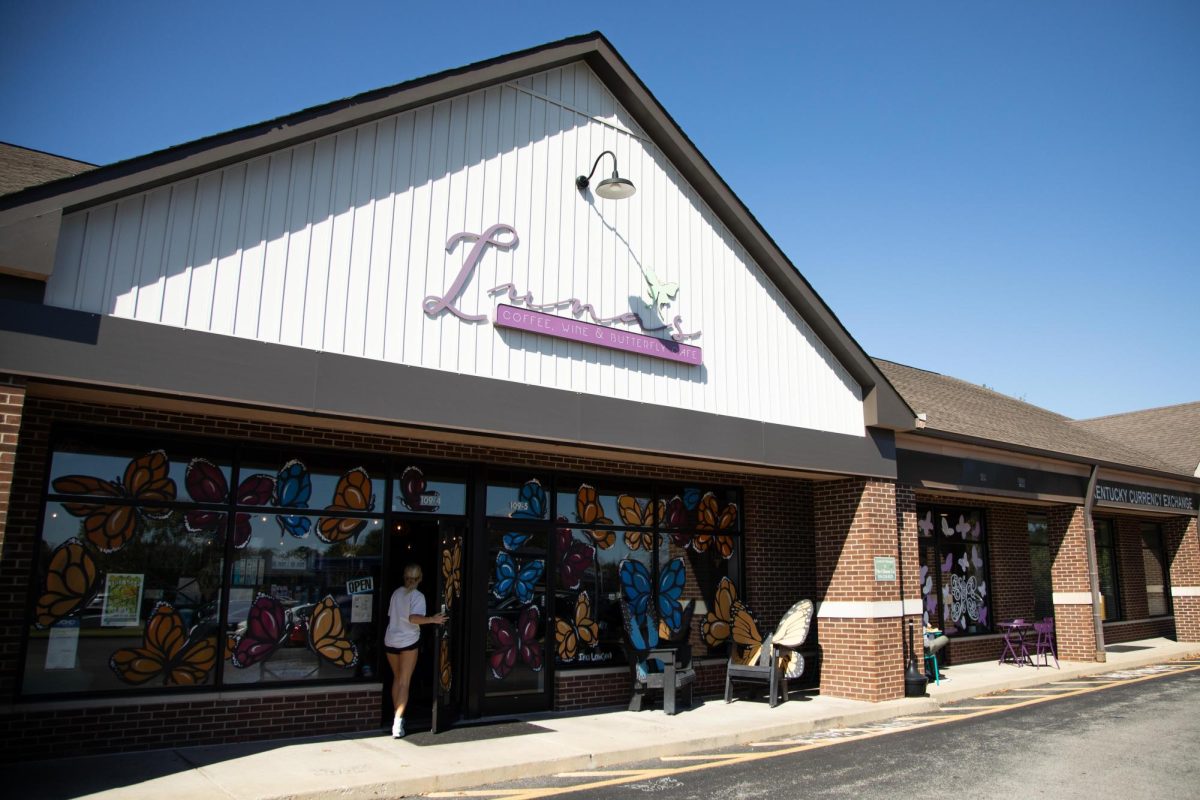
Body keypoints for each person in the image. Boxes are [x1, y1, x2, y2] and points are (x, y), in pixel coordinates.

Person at [384, 564, 447, 738]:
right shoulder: (417, 596)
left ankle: (396, 716)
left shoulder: (397, 593)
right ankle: (398, 723)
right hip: (408, 641)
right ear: (420, 578)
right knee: (404, 682)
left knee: (397, 679)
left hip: (390, 639)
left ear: (405, 577)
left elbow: (392, 615)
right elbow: (413, 618)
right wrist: (432, 620)